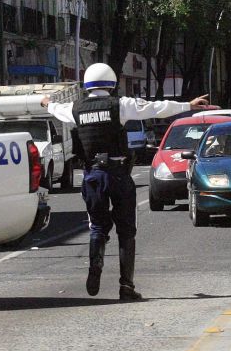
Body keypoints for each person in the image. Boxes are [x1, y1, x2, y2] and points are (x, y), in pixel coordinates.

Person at [40, 63, 209, 301]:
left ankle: (95, 266)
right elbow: (155, 108)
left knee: (97, 227)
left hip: (93, 176)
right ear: (111, 83)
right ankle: (126, 286)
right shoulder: (120, 105)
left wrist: (46, 102)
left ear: (87, 85)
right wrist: (187, 105)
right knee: (126, 231)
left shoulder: (75, 108)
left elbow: (56, 108)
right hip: (118, 174)